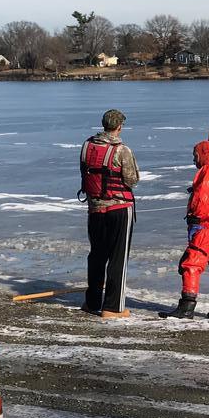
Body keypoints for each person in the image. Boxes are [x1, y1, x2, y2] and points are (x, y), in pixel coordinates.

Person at [161, 140, 209, 320]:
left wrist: (194, 218)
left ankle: (187, 307)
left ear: (203, 154)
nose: (194, 160)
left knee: (192, 262)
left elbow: (203, 196)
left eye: (195, 156)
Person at [79, 109, 140, 318]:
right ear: (119, 127)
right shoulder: (122, 150)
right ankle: (113, 307)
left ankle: (92, 302)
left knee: (96, 255)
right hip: (119, 208)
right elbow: (132, 180)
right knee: (118, 258)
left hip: (95, 208)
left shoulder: (87, 145)